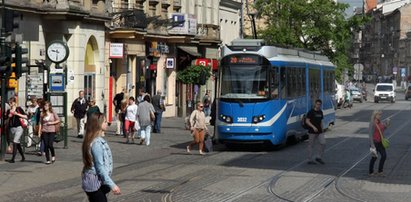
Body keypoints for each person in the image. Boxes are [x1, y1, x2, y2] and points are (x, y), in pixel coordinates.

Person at [81, 113, 121, 201]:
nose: (107, 123)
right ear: (98, 124)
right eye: (105, 122)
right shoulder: (96, 143)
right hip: (94, 181)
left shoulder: (92, 140)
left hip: (94, 180)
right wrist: (112, 185)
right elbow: (100, 167)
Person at [369, 110, 389, 176]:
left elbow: (383, 129)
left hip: (381, 142)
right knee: (374, 157)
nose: (380, 116)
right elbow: (370, 134)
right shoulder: (372, 123)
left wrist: (387, 123)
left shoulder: (380, 122)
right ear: (375, 115)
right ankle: (371, 172)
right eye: (379, 115)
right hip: (375, 142)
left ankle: (380, 171)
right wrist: (372, 145)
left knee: (384, 156)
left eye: (380, 115)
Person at [7, 97, 27, 163]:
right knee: (17, 143)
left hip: (19, 127)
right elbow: (7, 119)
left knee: (15, 142)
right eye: (9, 103)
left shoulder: (19, 109)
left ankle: (13, 159)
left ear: (15, 103)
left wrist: (17, 114)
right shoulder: (8, 110)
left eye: (11, 103)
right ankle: (23, 157)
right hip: (12, 128)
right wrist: (8, 116)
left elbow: (26, 116)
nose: (10, 104)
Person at [305, 99, 325, 165]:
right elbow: (307, 121)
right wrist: (313, 127)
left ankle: (318, 157)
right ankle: (309, 159)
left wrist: (322, 130)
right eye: (317, 104)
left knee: (323, 143)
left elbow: (321, 121)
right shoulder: (311, 112)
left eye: (319, 104)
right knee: (311, 145)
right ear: (315, 104)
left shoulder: (320, 112)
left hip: (319, 131)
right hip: (312, 131)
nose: (318, 106)